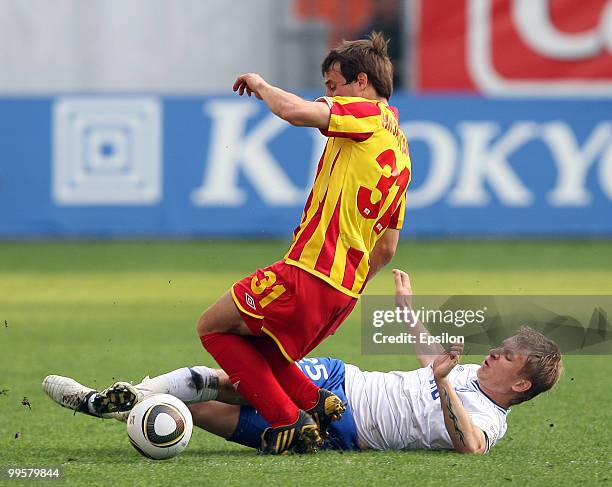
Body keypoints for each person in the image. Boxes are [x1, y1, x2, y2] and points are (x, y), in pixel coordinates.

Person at [43, 271, 562, 455]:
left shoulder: (491, 421)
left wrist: (443, 384)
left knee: (192, 413)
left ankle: (111, 404)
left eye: (507, 355)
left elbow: (469, 447)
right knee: (224, 382)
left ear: (519, 384)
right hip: (338, 385)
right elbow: (433, 359)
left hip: (346, 432)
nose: (494, 352)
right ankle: (96, 399)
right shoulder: (470, 371)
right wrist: (406, 309)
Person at [194, 32, 411, 453]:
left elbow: (295, 112)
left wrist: (259, 84)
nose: (326, 96)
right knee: (260, 342)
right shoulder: (402, 151)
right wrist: (346, 286)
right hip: (343, 291)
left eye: (332, 87)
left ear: (361, 82)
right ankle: (317, 400)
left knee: (211, 327)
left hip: (311, 271)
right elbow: (386, 248)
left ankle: (287, 419)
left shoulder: (364, 113)